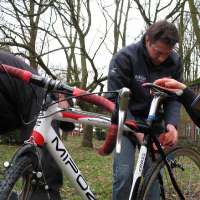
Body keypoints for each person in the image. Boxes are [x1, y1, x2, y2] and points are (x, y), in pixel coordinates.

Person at [107, 20, 183, 200]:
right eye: (158, 52)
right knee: (124, 176)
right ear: (148, 40)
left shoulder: (174, 62)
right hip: (125, 123)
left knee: (153, 180)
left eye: (167, 53)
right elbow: (114, 101)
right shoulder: (124, 58)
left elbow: (174, 97)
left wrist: (172, 125)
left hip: (154, 125)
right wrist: (138, 132)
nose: (162, 58)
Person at [0, 50, 74, 199]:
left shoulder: (49, 94)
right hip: (15, 98)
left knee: (44, 174)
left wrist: (63, 102)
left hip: (33, 95)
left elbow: (68, 122)